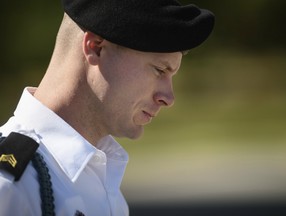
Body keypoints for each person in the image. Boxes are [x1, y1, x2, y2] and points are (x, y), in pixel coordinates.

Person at [0, 0, 214, 215]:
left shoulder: (99, 177)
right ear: (96, 48)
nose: (168, 98)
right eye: (159, 70)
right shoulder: (11, 186)